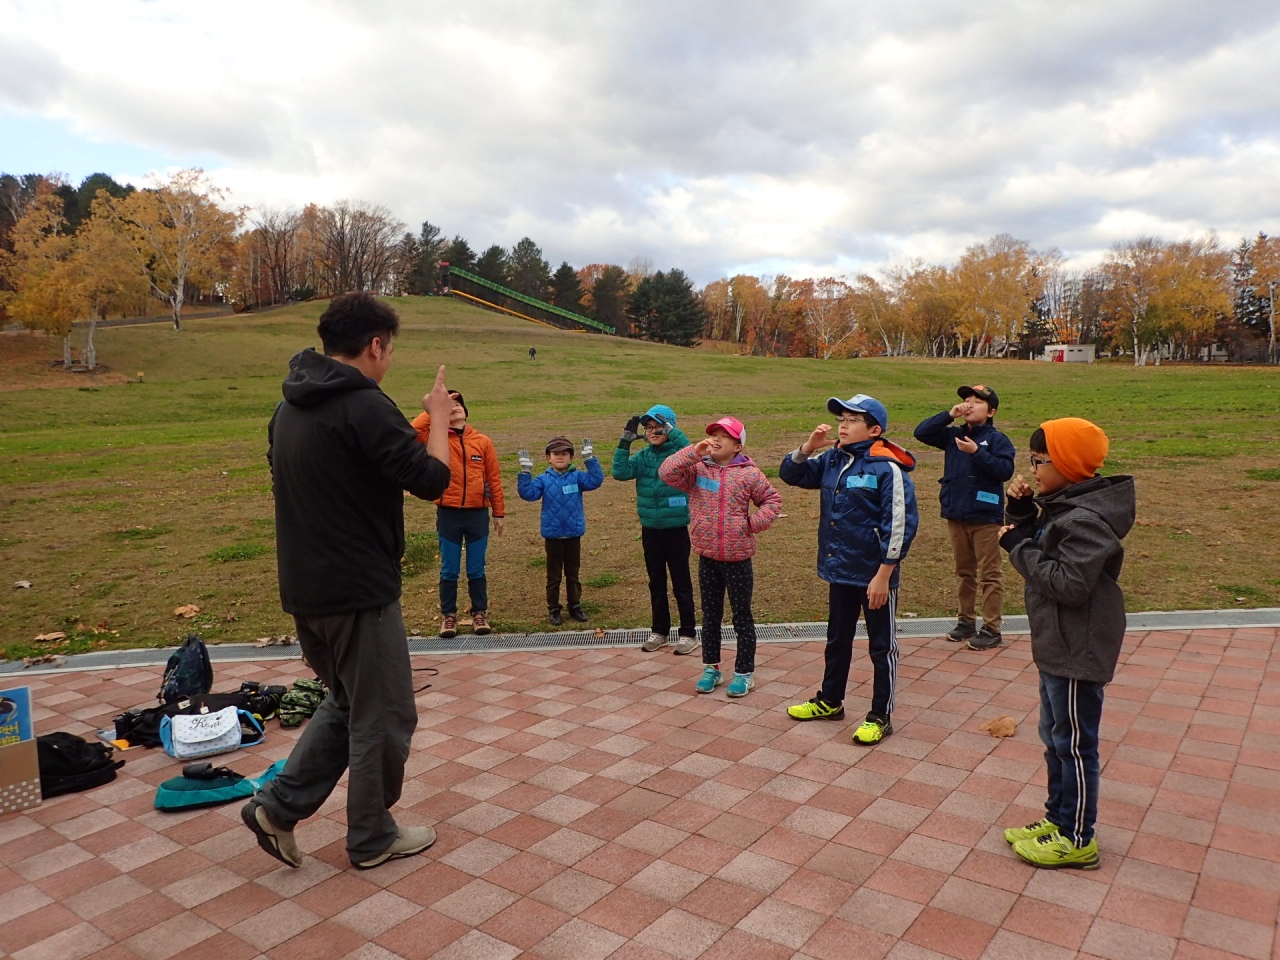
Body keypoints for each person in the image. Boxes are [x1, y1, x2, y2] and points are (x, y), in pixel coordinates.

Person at [245, 291, 452, 870]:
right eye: (390, 351)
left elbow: (349, 465)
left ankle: (277, 810)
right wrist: (436, 420)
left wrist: (409, 427)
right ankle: (371, 836)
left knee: (346, 701)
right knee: (385, 714)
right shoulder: (364, 403)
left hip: (306, 587)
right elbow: (432, 479)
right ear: (376, 345)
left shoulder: (290, 405)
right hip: (358, 590)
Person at [999, 418, 1134, 870]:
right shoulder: (1068, 505)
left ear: (1069, 464)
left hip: (1080, 647)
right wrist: (1023, 516)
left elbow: (1068, 583)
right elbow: (1048, 541)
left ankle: (1077, 837)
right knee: (1054, 736)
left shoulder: (1089, 520)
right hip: (1058, 641)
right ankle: (1058, 820)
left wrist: (1018, 545)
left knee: (1074, 744)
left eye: (1040, 461)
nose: (1033, 470)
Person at [779, 394, 918, 745]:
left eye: (853, 419)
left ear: (874, 429)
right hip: (839, 569)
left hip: (874, 576)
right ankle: (830, 701)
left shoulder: (887, 468)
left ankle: (880, 715)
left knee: (881, 646)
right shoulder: (832, 459)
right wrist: (807, 447)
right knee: (837, 639)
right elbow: (791, 474)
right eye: (841, 417)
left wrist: (884, 574)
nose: (842, 424)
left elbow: (900, 524)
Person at [659, 416, 782, 698]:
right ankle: (711, 667)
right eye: (713, 434)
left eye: (723, 436)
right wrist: (694, 451)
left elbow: (772, 501)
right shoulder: (698, 470)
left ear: (738, 445)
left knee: (742, 618)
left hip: (738, 559)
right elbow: (666, 472)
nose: (715, 439)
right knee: (711, 617)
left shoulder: (749, 474)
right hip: (708, 556)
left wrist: (751, 524)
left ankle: (744, 673)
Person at [913, 384, 1016, 650]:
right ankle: (966, 622)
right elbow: (921, 432)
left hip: (985, 517)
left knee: (990, 574)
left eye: (977, 401)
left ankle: (992, 628)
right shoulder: (953, 435)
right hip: (956, 514)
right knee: (964, 571)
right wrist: (950, 414)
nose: (969, 404)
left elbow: (1004, 471)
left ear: (991, 411)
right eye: (967, 400)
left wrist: (977, 453)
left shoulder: (998, 440)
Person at [411, 390, 505, 637]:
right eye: (450, 405)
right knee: (449, 569)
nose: (455, 407)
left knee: (476, 568)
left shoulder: (482, 441)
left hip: (477, 515)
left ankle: (479, 614)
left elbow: (493, 479)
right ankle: (448, 616)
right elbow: (413, 432)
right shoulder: (436, 439)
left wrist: (499, 513)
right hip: (449, 513)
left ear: (466, 412)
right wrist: (434, 409)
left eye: (459, 405)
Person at [612, 404, 699, 654]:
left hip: (676, 529)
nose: (652, 432)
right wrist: (624, 442)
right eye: (648, 428)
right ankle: (660, 630)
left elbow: (693, 453)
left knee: (681, 582)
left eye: (658, 426)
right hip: (651, 529)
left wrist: (674, 433)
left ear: (670, 427)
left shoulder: (681, 455)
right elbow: (619, 472)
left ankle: (688, 633)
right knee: (656, 582)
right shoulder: (643, 456)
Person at [518, 435, 604, 624]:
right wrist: (525, 473)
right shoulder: (543, 479)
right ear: (548, 457)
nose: (560, 457)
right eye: (555, 453)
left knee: (573, 573)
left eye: (564, 453)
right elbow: (528, 494)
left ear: (571, 457)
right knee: (554, 575)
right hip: (553, 535)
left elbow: (595, 481)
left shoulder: (578, 476)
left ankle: (575, 606)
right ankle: (554, 608)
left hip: (573, 533)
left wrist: (590, 459)